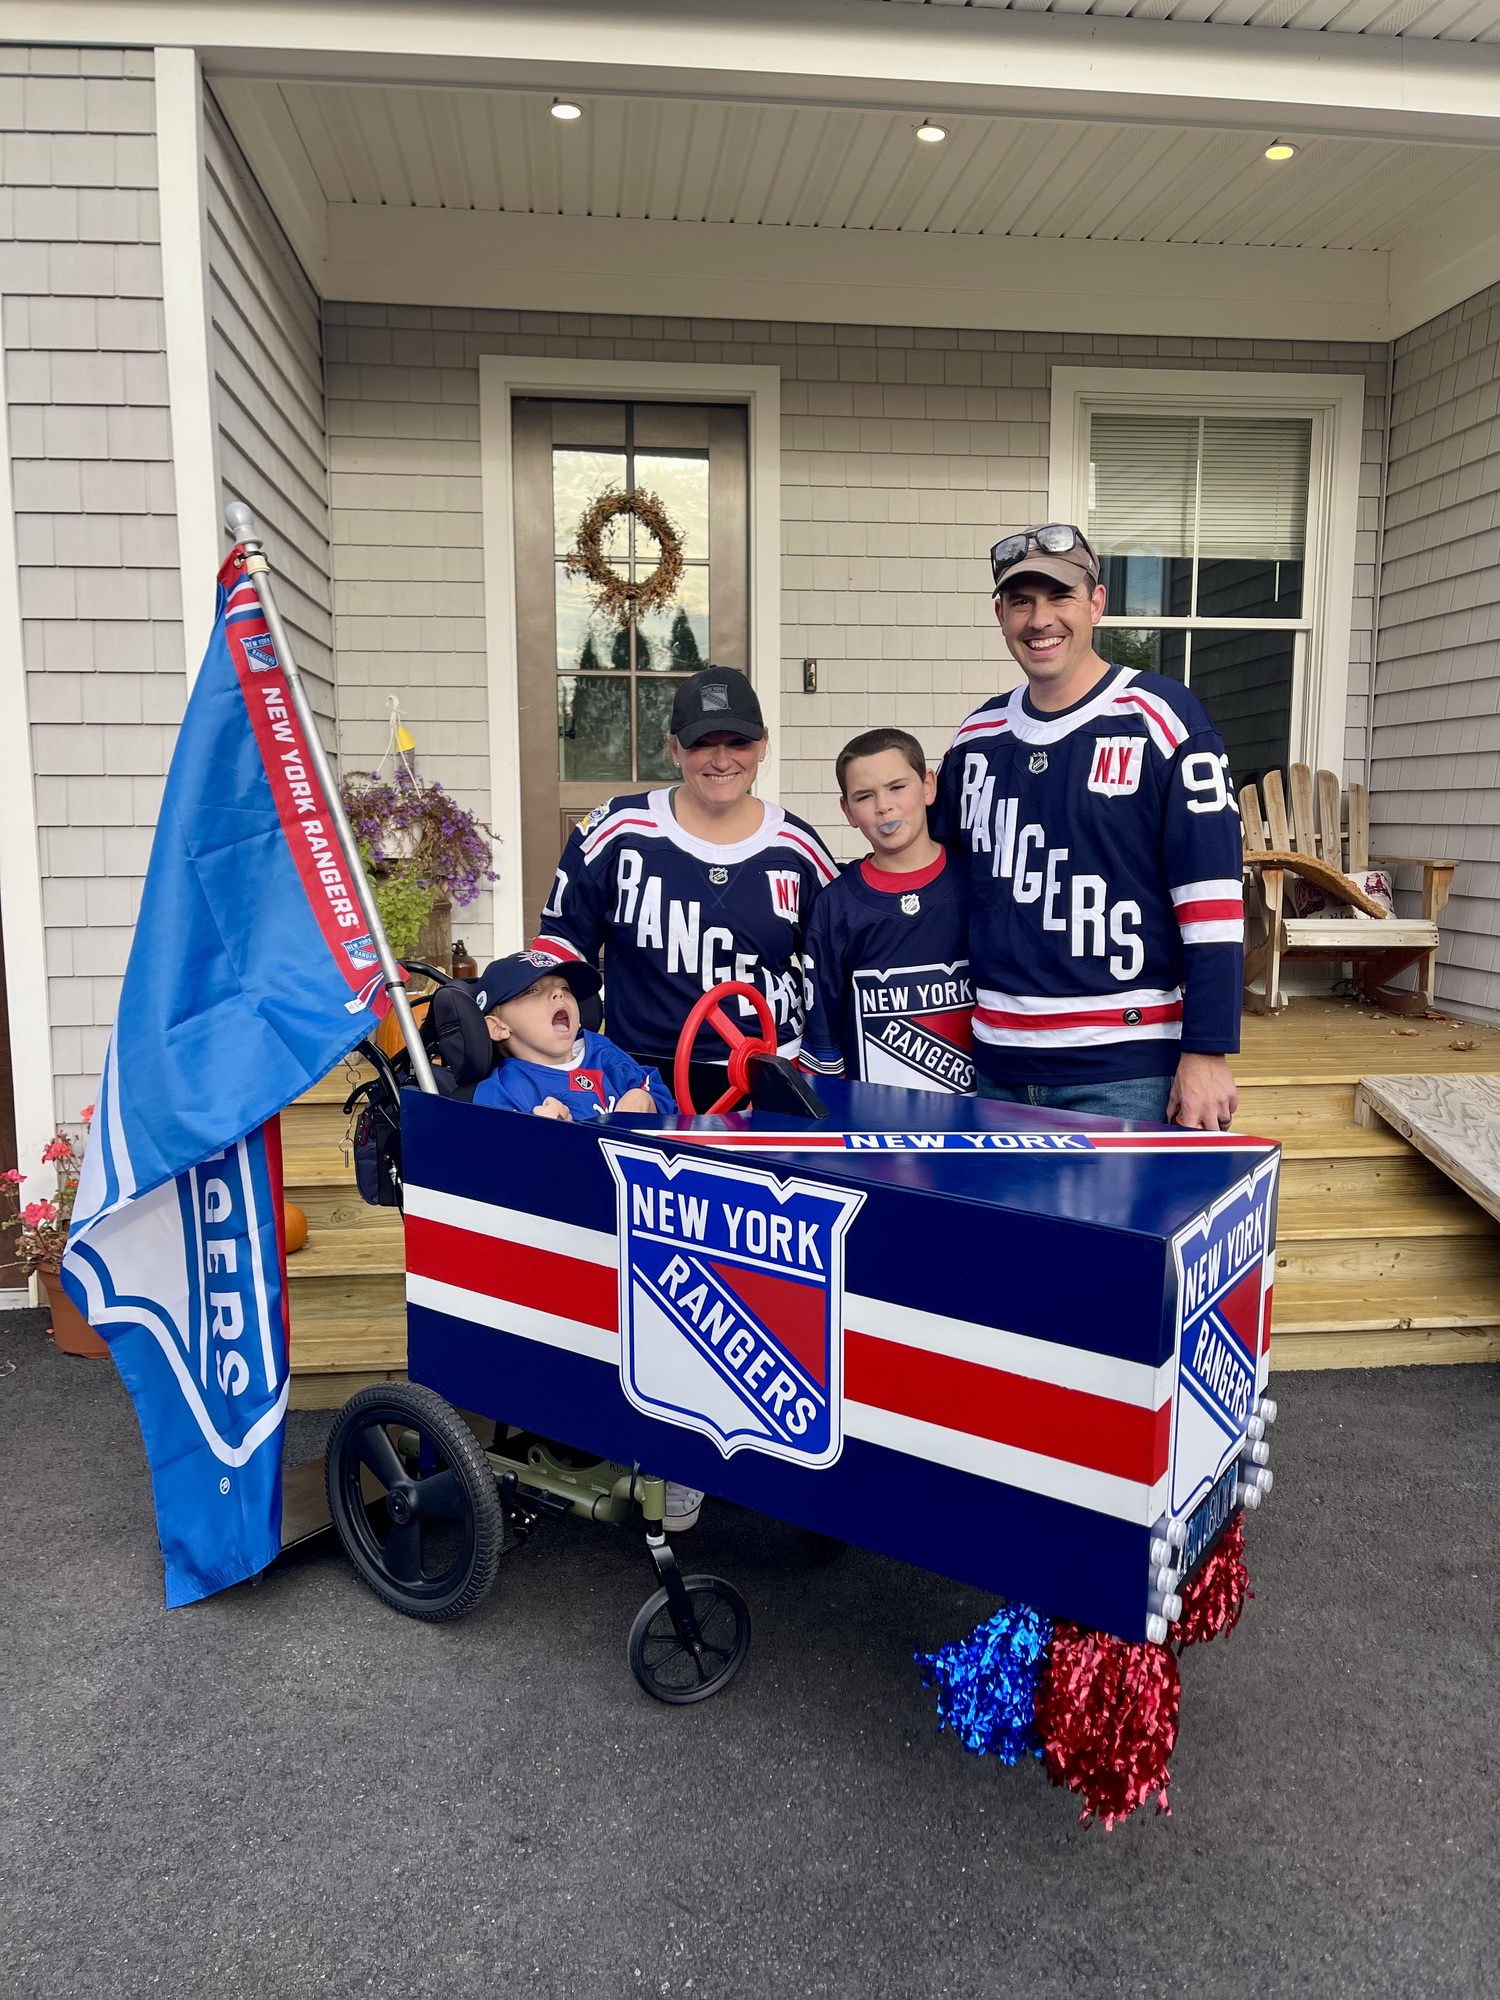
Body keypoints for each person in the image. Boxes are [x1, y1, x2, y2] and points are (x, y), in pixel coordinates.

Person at [932, 524, 1243, 1128]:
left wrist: (1207, 1050)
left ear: (1096, 603)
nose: (1039, 619)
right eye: (1020, 601)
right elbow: (940, 881)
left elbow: (1212, 902)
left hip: (1126, 1069)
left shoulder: (1164, 720)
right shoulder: (975, 739)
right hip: (993, 1064)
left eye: (1059, 597)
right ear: (1000, 614)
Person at [532, 666, 838, 1096]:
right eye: (702, 744)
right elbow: (561, 942)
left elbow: (832, 965)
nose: (721, 760)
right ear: (673, 748)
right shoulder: (618, 830)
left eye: (739, 743)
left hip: (768, 1070)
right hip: (639, 1075)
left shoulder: (797, 846)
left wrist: (823, 1064)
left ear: (763, 743)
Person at [800, 727, 973, 1094]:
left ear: (928, 786)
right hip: (876, 1124)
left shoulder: (977, 882)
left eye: (897, 787)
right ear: (847, 810)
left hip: (980, 1115)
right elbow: (823, 1037)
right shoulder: (836, 906)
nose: (883, 806)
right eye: (865, 796)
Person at [469, 951, 674, 1122]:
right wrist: (546, 1133)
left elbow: (666, 1102)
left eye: (565, 988)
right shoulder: (504, 1090)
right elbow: (498, 1157)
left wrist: (644, 1098)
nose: (559, 994)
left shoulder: (603, 1053)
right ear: (498, 1028)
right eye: (532, 990)